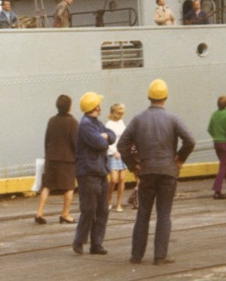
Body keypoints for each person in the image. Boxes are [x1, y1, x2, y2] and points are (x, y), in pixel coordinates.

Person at [118, 79, 195, 266]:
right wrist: (179, 159)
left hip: (146, 172)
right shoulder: (173, 119)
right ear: (166, 97)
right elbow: (190, 141)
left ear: (148, 97)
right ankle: (160, 256)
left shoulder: (138, 119)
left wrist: (133, 165)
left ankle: (136, 255)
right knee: (164, 214)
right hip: (168, 172)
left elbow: (122, 145)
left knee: (143, 213)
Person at [73, 91, 116, 255]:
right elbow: (99, 143)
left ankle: (96, 243)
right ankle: (79, 241)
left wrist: (105, 136)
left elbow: (111, 136)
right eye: (99, 104)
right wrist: (104, 137)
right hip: (88, 173)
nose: (101, 107)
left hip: (100, 172)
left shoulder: (97, 124)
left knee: (103, 209)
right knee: (89, 209)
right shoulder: (85, 124)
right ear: (94, 107)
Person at [35, 94, 78, 225]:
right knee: (69, 187)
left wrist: (47, 155)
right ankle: (65, 214)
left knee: (47, 186)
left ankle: (39, 212)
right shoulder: (73, 122)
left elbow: (47, 140)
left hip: (51, 158)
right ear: (69, 107)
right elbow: (75, 142)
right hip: (67, 159)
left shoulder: (52, 120)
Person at [105, 103, 127, 212]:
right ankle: (108, 199)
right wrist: (114, 152)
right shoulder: (109, 124)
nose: (122, 112)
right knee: (114, 179)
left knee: (122, 179)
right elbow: (107, 140)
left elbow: (125, 137)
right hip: (112, 153)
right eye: (120, 110)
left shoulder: (121, 123)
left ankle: (119, 203)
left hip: (122, 153)